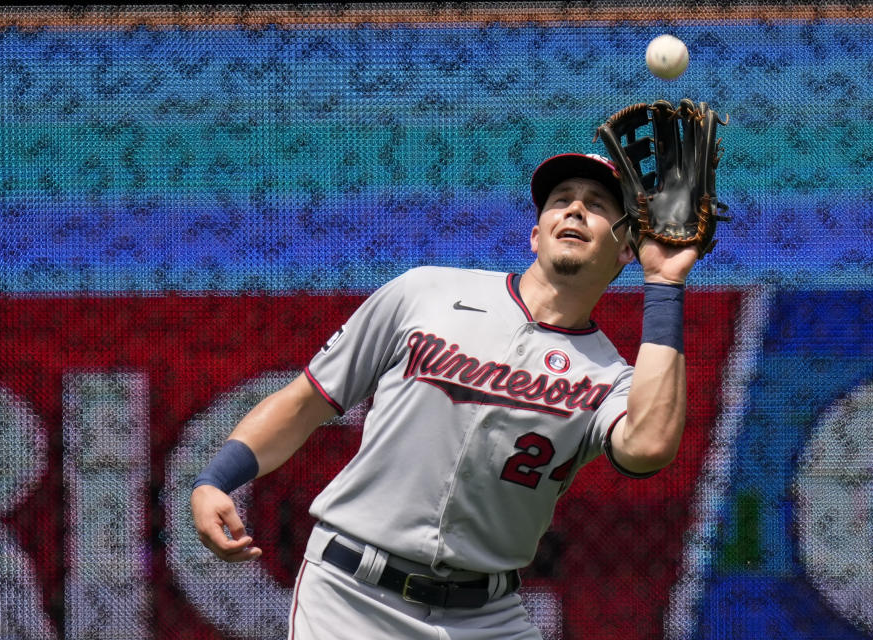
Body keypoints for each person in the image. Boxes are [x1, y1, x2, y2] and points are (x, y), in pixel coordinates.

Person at [190, 151, 697, 639]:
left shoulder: (608, 375)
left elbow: (648, 446)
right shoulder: (425, 293)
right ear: (535, 234)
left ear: (627, 246)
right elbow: (306, 401)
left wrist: (665, 282)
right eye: (561, 198)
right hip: (352, 598)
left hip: (487, 617)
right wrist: (217, 479)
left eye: (599, 204)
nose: (576, 209)